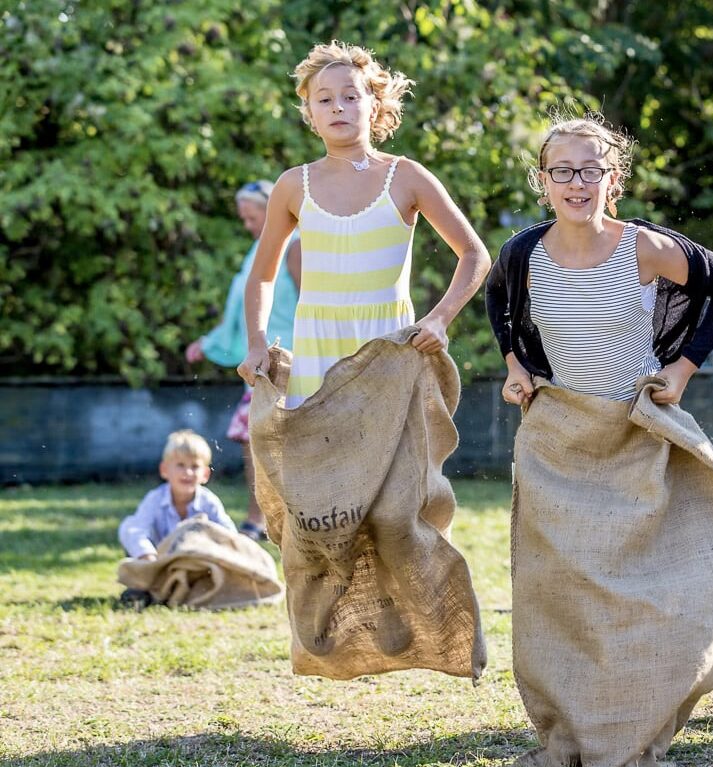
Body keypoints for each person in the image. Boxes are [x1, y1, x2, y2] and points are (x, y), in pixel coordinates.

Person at [487, 113, 713, 767]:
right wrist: (516, 366)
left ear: (615, 180)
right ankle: (568, 730)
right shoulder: (523, 253)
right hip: (563, 447)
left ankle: (634, 722)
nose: (577, 182)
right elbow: (501, 304)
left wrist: (683, 368)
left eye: (592, 170)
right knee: (564, 595)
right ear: (543, 181)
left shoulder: (643, 248)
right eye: (563, 171)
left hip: (635, 437)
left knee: (635, 594)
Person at [236, 41, 489, 403]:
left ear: (374, 107)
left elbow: (474, 254)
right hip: (316, 354)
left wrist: (438, 319)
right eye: (324, 99)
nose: (338, 106)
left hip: (388, 350)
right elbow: (261, 275)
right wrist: (257, 342)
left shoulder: (407, 176)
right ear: (310, 113)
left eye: (351, 96)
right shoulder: (293, 185)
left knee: (393, 458)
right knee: (319, 457)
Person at [185, 180, 300, 540]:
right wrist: (210, 342)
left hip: (292, 361)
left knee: (261, 440)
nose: (248, 225)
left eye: (252, 217)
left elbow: (315, 303)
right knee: (257, 440)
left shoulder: (295, 247)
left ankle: (263, 521)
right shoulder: (260, 250)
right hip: (263, 361)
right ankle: (266, 520)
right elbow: (245, 306)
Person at [117, 430, 237, 605]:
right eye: (180, 465)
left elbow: (229, 534)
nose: (187, 472)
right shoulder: (155, 499)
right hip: (158, 563)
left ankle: (189, 592)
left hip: (194, 565)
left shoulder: (209, 501)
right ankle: (142, 589)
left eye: (194, 466)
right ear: (165, 470)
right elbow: (136, 530)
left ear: (205, 474)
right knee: (129, 527)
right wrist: (148, 556)